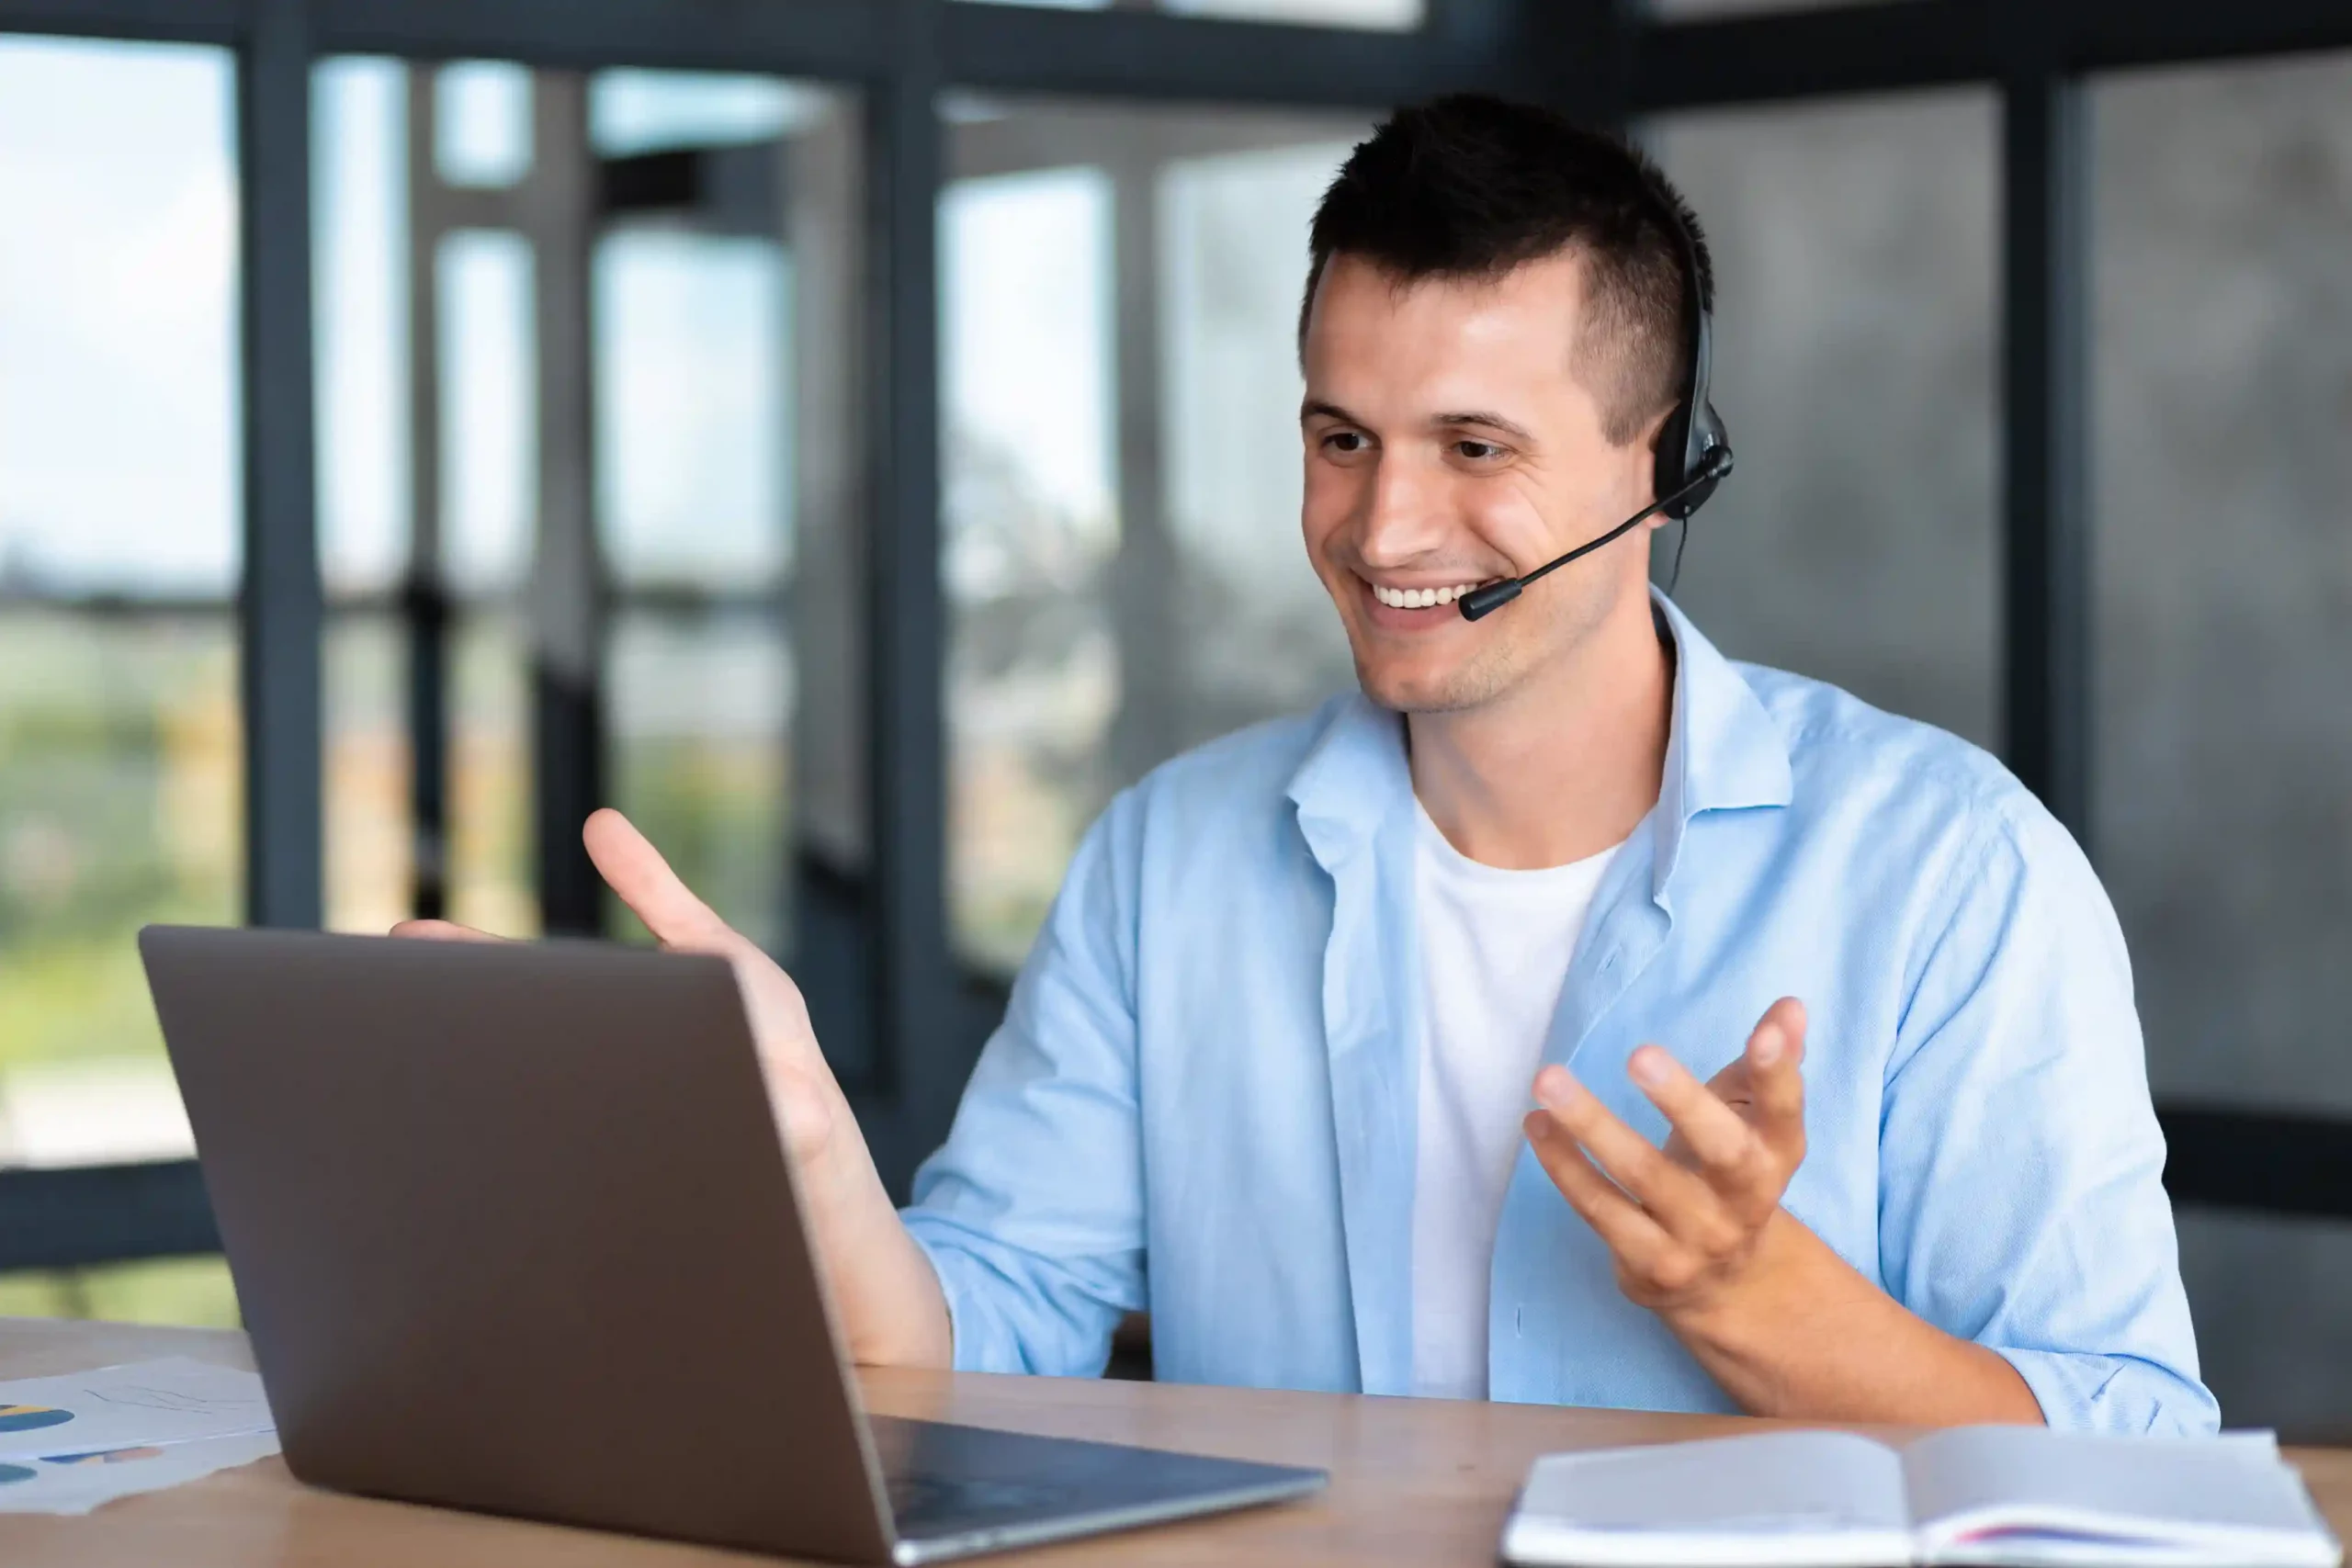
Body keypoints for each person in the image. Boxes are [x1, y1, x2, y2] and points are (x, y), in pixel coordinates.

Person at [401, 96, 2214, 1433]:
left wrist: (1763, 1306)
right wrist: (793, 1142)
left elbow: (2136, 1457)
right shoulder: (1167, 860)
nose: (1380, 521)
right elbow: (965, 1346)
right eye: (1338, 435)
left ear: (1657, 466)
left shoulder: (1951, 870)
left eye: (1472, 444)